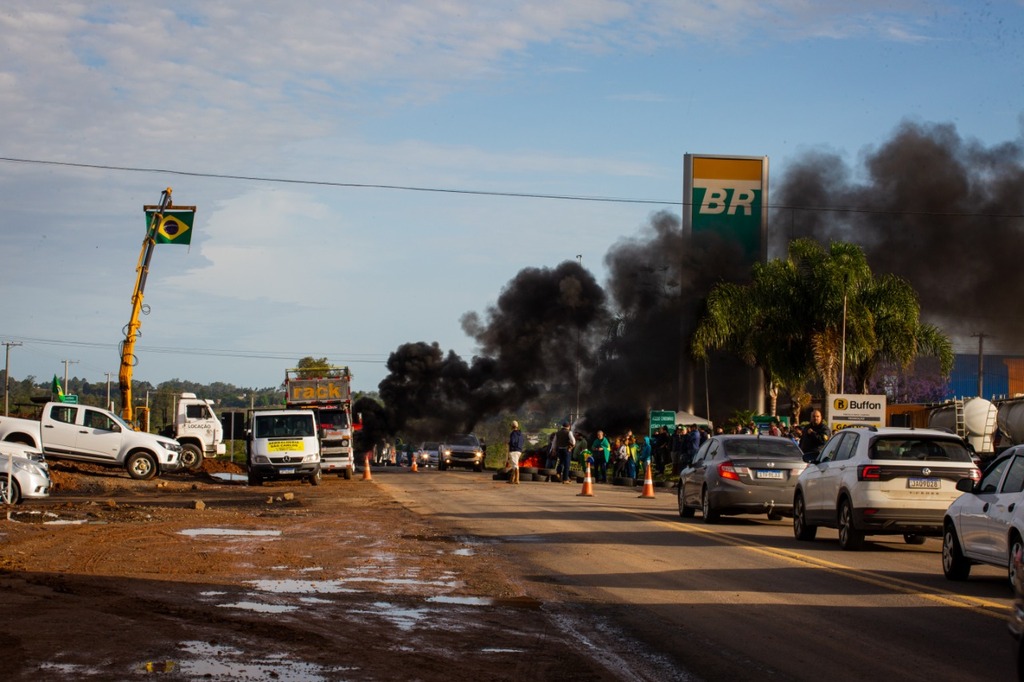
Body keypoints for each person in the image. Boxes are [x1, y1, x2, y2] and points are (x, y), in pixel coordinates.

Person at [507, 420, 525, 485]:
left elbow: (512, 441)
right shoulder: (521, 434)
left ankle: (517, 480)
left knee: (515, 466)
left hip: (513, 450)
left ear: (512, 426)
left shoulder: (513, 433)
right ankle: (512, 479)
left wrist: (509, 444)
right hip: (519, 451)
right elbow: (522, 441)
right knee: (515, 465)